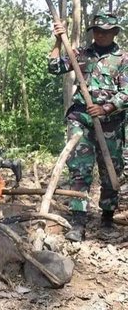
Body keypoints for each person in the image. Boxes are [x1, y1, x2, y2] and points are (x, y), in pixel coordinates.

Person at [48, 14, 128, 242]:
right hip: (81, 119)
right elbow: (54, 67)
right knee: (80, 170)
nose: (101, 34)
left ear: (115, 32)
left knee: (110, 171)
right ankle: (78, 221)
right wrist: (57, 41)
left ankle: (107, 219)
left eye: (106, 30)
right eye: (97, 30)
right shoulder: (80, 54)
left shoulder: (123, 59)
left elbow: (127, 92)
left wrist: (106, 108)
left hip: (110, 124)